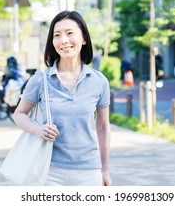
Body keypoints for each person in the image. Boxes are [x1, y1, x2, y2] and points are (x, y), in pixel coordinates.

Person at [13, 11, 112, 186]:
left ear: (84, 38)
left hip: (89, 171)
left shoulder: (99, 81)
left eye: (70, 33)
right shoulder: (40, 80)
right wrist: (38, 130)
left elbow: (103, 127)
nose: (63, 40)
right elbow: (19, 114)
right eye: (57, 35)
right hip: (50, 171)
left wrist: (105, 170)